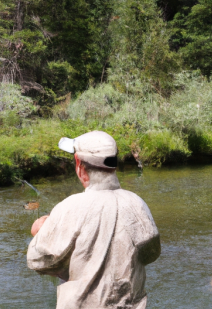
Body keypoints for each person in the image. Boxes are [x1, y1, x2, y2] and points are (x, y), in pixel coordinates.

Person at [27, 131, 160, 309]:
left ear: (78, 163)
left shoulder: (69, 208)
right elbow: (151, 253)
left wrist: (41, 231)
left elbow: (38, 261)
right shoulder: (138, 205)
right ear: (114, 164)